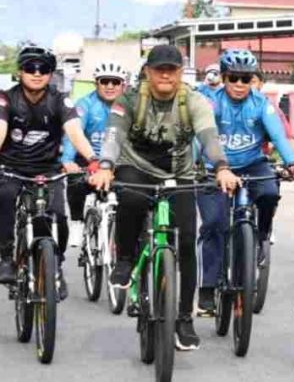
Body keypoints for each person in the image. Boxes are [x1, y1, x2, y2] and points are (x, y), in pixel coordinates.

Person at [89, 44, 239, 351]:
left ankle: (184, 318)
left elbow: (209, 136)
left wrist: (222, 166)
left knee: (185, 242)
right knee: (129, 198)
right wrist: (105, 166)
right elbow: (114, 135)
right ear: (148, 72)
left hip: (178, 173)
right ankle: (126, 260)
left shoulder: (195, 101)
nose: (166, 75)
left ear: (181, 73)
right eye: (160, 70)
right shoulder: (128, 100)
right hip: (136, 167)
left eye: (173, 70)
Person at [195, 49, 294, 316]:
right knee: (214, 224)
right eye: (234, 78)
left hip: (252, 164)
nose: (240, 84)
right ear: (224, 77)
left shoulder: (261, 104)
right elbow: (201, 136)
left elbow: (278, 135)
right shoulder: (211, 102)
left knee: (269, 193)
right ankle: (208, 288)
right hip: (213, 167)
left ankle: (261, 236)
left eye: (246, 78)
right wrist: (192, 165)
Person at [0, 44, 97, 301]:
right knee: (5, 199)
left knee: (58, 219)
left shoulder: (59, 99)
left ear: (50, 73)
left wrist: (93, 159)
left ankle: (56, 265)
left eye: (43, 68)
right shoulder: (6, 98)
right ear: (20, 72)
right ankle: (7, 257)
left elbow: (75, 131)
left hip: (48, 170)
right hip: (12, 168)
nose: (36, 73)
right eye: (30, 68)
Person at [62, 61, 128, 248]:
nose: (109, 86)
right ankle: (76, 222)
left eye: (115, 82)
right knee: (74, 179)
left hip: (118, 162)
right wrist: (68, 160)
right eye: (104, 81)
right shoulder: (85, 104)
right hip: (88, 160)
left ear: (123, 85)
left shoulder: (129, 105)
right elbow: (73, 135)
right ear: (96, 84)